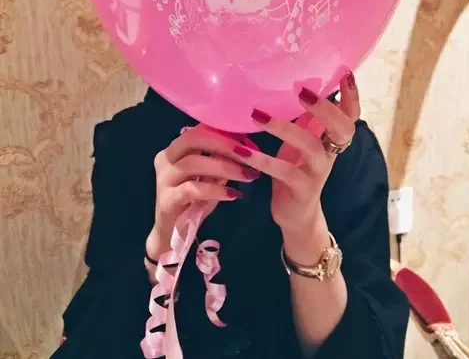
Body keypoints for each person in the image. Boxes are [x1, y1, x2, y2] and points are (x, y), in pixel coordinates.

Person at [51, 72, 409, 359]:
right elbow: (91, 338)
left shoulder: (337, 149)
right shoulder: (135, 140)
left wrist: (305, 229)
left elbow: (373, 347)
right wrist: (161, 248)